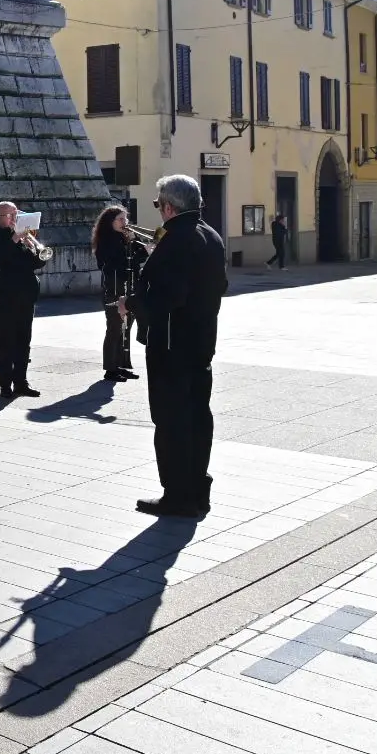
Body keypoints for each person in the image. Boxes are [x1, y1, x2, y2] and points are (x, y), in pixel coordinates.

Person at [122, 174, 227, 518]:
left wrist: (132, 304)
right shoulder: (210, 235)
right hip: (201, 343)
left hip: (171, 346)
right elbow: (217, 285)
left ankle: (178, 495)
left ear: (168, 206)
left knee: (171, 421)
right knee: (198, 417)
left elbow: (168, 297)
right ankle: (198, 489)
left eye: (157, 205)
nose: (158, 212)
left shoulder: (177, 238)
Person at [0, 202, 46, 399]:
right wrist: (15, 239)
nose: (14, 218)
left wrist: (34, 249)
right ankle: (5, 385)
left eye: (16, 214)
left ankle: (21, 382)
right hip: (4, 297)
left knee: (24, 342)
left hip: (26, 296)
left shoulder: (26, 236)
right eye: (10, 215)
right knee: (6, 344)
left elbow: (37, 263)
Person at [93, 205, 147, 382]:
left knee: (126, 329)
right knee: (115, 328)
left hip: (129, 287)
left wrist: (136, 243)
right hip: (114, 289)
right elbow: (120, 262)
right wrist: (138, 249)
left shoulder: (126, 238)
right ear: (111, 222)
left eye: (126, 219)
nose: (125, 223)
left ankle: (122, 365)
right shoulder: (107, 241)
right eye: (121, 219)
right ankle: (110, 369)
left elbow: (137, 258)